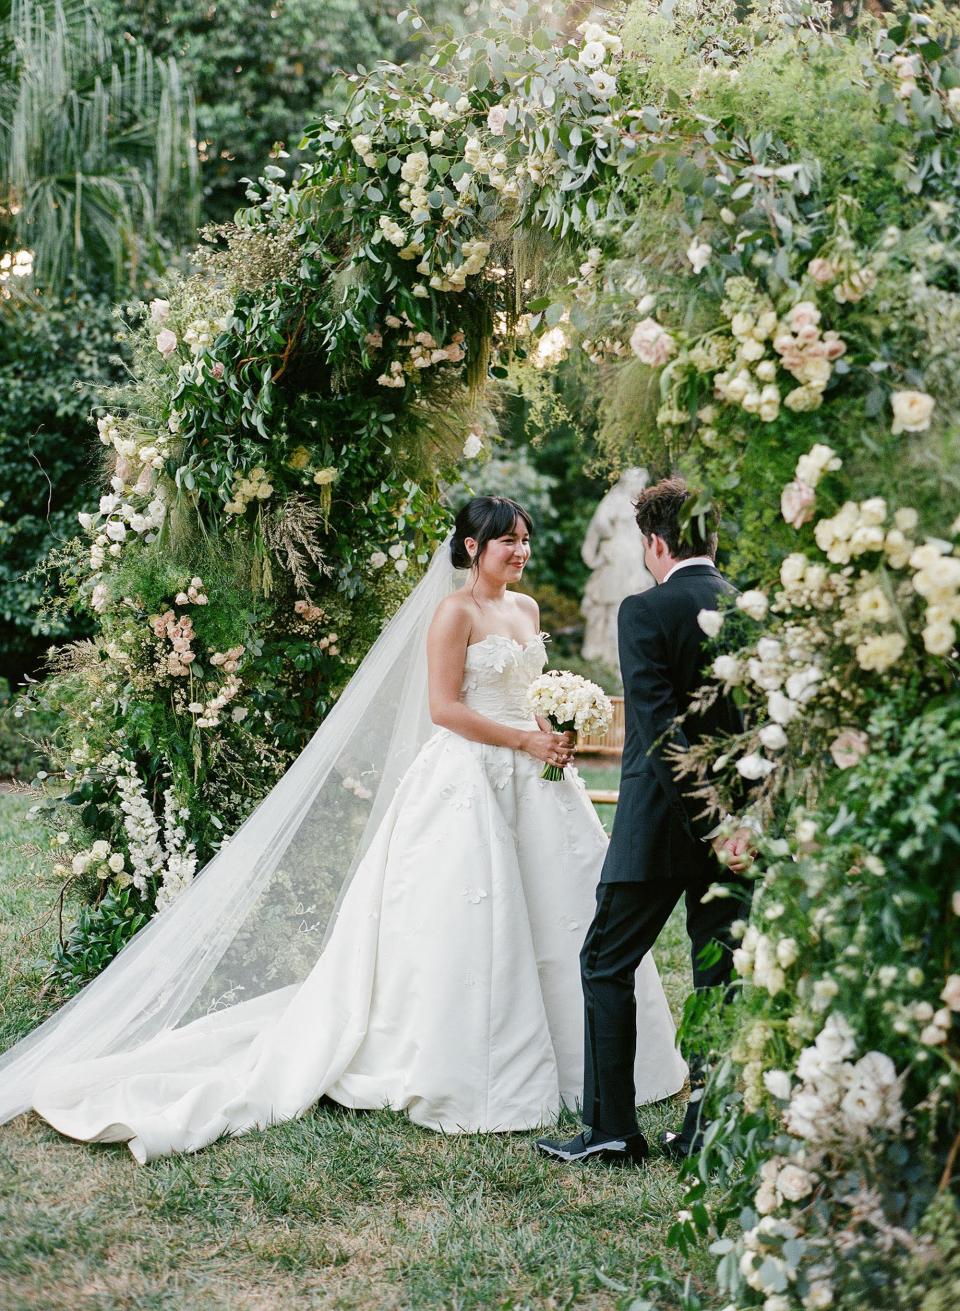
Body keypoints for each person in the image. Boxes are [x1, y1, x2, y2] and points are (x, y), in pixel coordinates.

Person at [0, 496, 686, 1162]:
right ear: (473, 546)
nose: (522, 552)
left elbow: (531, 693)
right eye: (508, 540)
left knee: (561, 912)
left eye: (526, 540)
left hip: (533, 782)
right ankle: (465, 1065)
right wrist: (520, 741)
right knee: (474, 923)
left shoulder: (528, 609)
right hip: (468, 779)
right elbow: (445, 708)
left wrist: (550, 734)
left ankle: (582, 1069)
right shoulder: (453, 613)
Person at [537, 477, 754, 1168]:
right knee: (717, 973)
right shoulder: (750, 611)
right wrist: (736, 821)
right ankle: (707, 1131)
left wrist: (705, 818)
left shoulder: (644, 610)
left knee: (605, 961)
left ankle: (611, 1129)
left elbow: (661, 737)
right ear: (711, 539)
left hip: (660, 825)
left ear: (655, 542)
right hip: (738, 833)